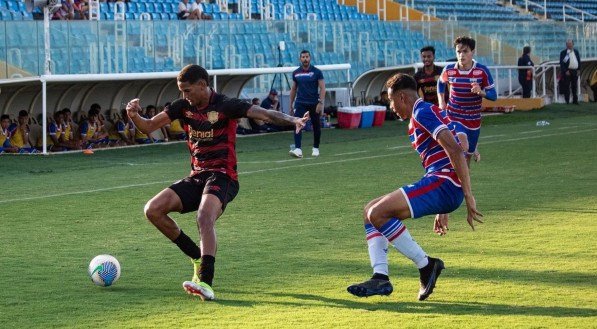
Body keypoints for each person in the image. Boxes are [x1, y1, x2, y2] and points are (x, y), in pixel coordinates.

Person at [125, 64, 308, 301]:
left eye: (188, 90)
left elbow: (264, 113)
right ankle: (196, 255)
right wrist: (133, 115)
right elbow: (148, 125)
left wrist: (292, 119)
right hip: (197, 176)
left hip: (223, 176)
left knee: (204, 217)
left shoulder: (226, 105)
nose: (184, 96)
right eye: (182, 91)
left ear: (203, 85)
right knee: (153, 210)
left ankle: (206, 282)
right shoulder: (182, 107)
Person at [347, 73, 482, 301]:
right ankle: (380, 275)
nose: (391, 107)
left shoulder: (422, 112)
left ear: (401, 97)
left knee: (377, 213)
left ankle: (426, 265)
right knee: (369, 211)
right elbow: (463, 144)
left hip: (443, 183)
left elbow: (456, 151)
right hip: (443, 184)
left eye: (391, 101)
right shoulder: (427, 113)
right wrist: (444, 209)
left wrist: (467, 196)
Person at [438, 36, 497, 165]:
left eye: (465, 51)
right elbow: (441, 83)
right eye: (459, 52)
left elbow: (493, 95)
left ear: (473, 52)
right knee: (462, 147)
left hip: (473, 120)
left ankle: (464, 182)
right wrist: (441, 101)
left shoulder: (481, 71)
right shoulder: (449, 70)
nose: (461, 55)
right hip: (454, 116)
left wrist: (481, 92)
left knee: (467, 159)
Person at [289, 50, 325, 158]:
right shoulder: (296, 73)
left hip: (313, 103)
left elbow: (322, 88)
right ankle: (298, 149)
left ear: (310, 58)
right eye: (303, 57)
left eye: (307, 57)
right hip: (300, 103)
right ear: (300, 59)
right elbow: (294, 89)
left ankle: (315, 148)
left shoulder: (317, 72)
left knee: (316, 125)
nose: (305, 59)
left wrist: (320, 103)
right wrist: (291, 104)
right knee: (298, 124)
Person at [559, 39, 581, 105]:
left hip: (575, 71)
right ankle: (567, 101)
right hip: (567, 71)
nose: (569, 45)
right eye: (568, 44)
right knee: (567, 86)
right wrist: (565, 71)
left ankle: (575, 100)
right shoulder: (563, 52)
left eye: (570, 44)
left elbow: (579, 61)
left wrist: (579, 69)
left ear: (573, 44)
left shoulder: (576, 51)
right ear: (566, 45)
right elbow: (562, 63)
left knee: (574, 86)